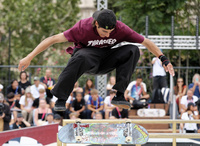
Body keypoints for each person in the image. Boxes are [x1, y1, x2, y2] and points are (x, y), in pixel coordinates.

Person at [18, 9, 174, 111]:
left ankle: (119, 95)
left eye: (110, 32)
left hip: (107, 59)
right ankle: (61, 98)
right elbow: (52, 39)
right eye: (104, 31)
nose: (107, 35)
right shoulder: (82, 28)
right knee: (81, 55)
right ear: (96, 23)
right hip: (87, 59)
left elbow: (146, 42)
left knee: (133, 50)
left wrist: (163, 59)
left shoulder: (121, 29)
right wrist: (30, 56)